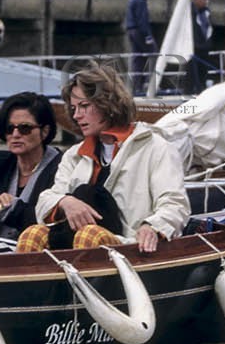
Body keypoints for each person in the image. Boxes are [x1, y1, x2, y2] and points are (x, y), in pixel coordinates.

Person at [23, 64, 190, 253]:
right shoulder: (74, 155)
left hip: (132, 244)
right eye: (73, 108)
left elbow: (174, 203)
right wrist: (66, 202)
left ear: (108, 104)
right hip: (74, 239)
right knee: (31, 235)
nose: (77, 115)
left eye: (84, 106)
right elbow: (48, 198)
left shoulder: (157, 148)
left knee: (89, 236)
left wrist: (152, 227)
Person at [0, 92, 63, 255]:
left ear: (45, 131)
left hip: (37, 250)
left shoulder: (61, 167)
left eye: (25, 128)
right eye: (10, 128)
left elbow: (46, 218)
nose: (15, 134)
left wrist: (2, 208)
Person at [124, 0, 156, 94]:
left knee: (138, 58)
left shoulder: (132, 0)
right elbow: (142, 19)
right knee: (153, 53)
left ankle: (137, 86)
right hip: (139, 31)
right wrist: (147, 36)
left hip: (131, 30)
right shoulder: (141, 0)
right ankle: (150, 83)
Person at [189, 0, 220, 89]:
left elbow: (208, 27)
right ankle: (193, 89)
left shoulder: (207, 12)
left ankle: (202, 87)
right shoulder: (190, 12)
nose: (206, 2)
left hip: (205, 46)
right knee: (193, 71)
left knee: (203, 70)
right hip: (194, 47)